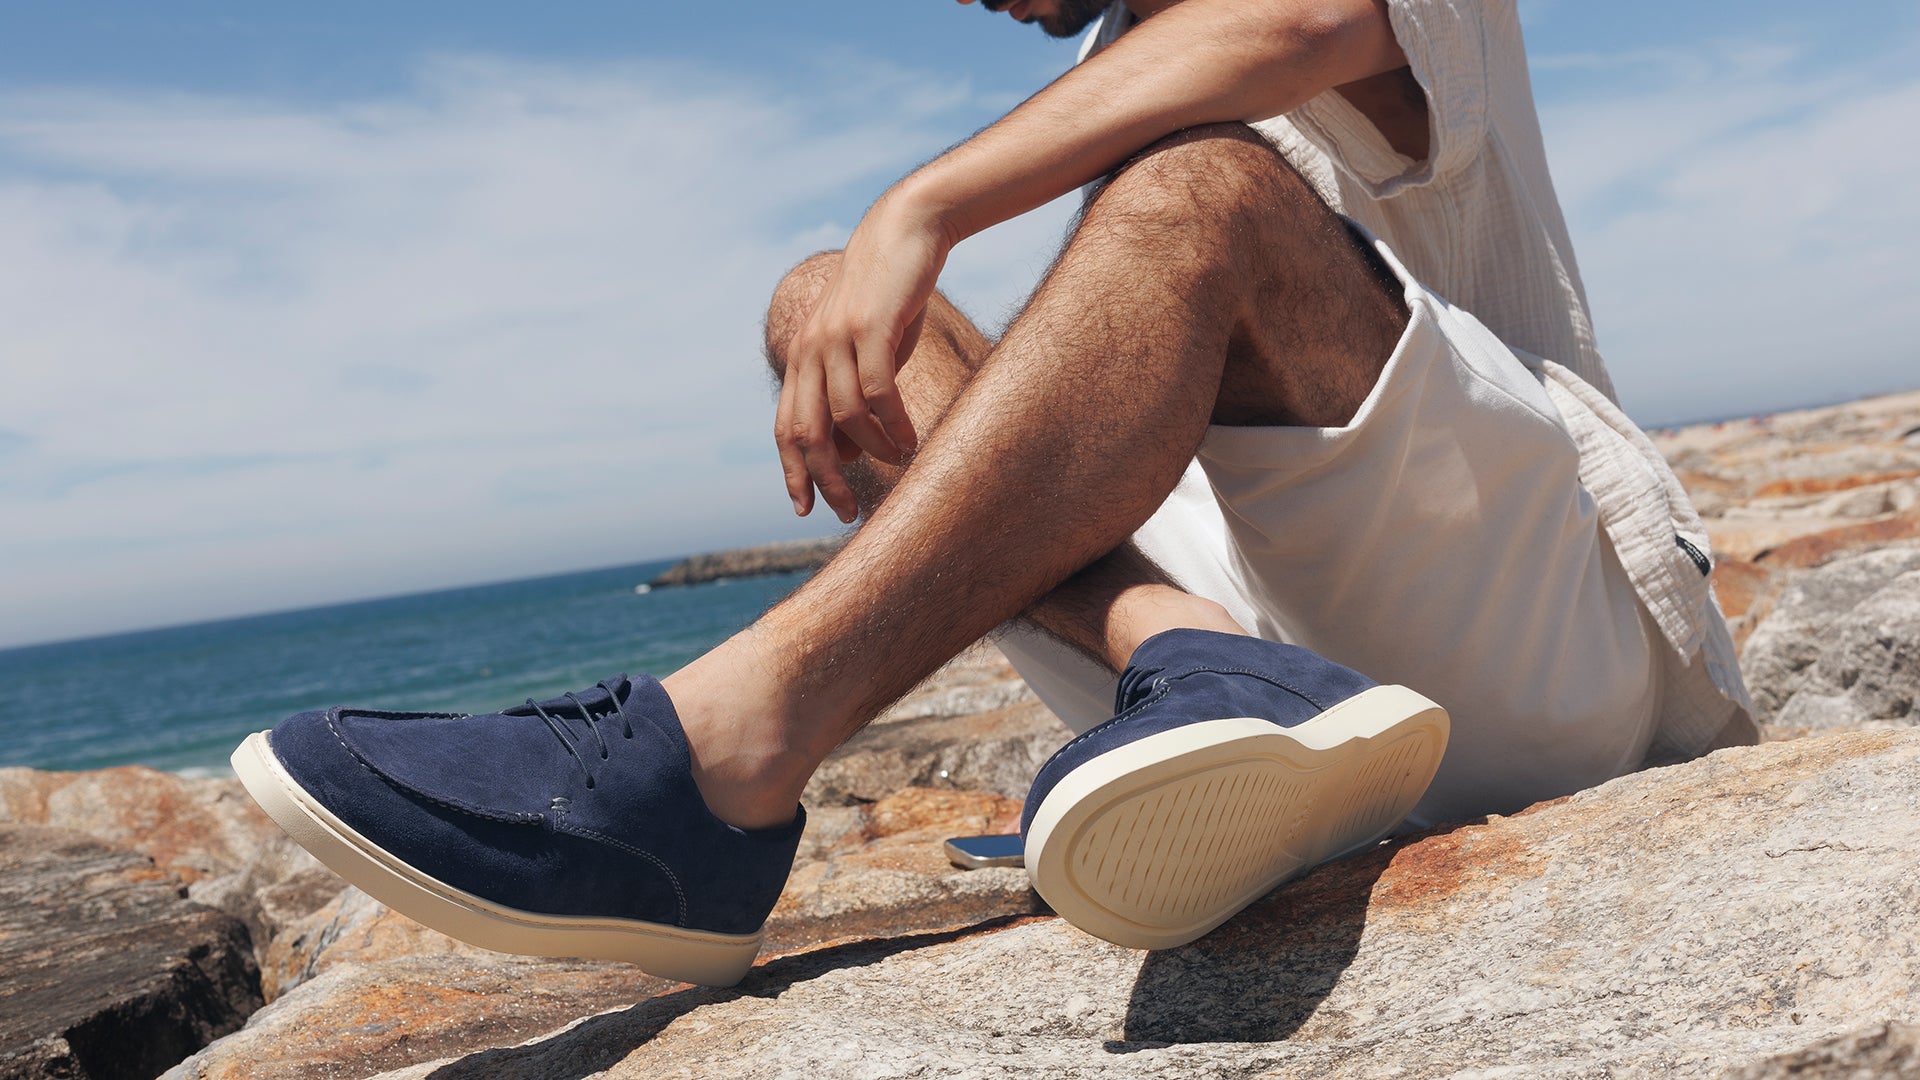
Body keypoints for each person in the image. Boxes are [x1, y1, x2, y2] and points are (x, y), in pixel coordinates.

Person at [230, 0, 1757, 987]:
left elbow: (1306, 17)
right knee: (831, 310)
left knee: (1198, 193)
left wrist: (930, 200)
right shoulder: (1111, 77)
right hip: (1290, 672)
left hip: (1547, 657)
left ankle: (720, 754)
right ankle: (1200, 665)